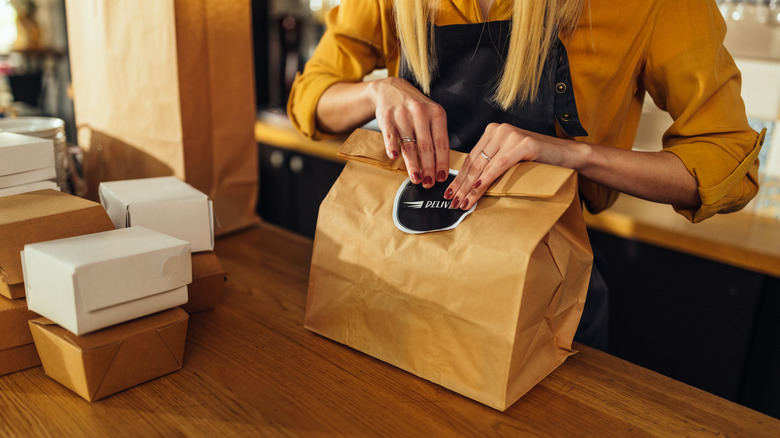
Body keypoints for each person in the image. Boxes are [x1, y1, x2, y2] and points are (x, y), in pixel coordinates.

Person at [287, 0, 763, 350]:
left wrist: (573, 155)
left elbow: (729, 161)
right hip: (404, 274)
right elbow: (309, 100)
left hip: (540, 300)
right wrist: (378, 93)